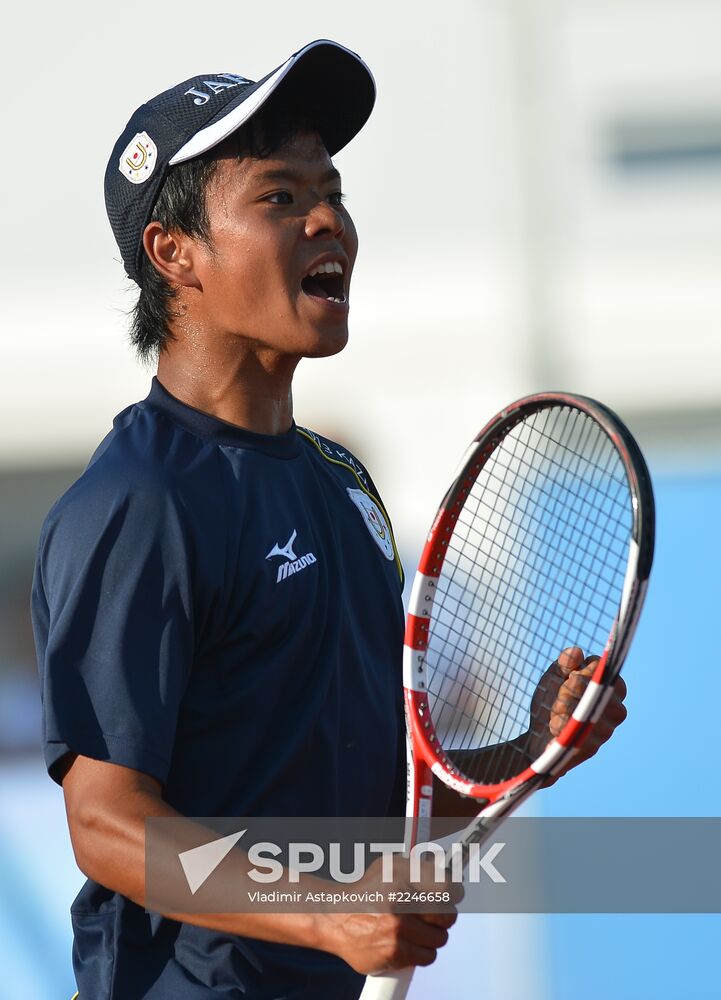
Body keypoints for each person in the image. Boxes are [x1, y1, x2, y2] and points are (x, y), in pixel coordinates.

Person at [32, 40, 627, 1000]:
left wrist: (526, 750)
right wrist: (326, 915)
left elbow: (368, 807)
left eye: (333, 190)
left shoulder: (342, 482)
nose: (327, 220)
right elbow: (106, 826)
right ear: (172, 252)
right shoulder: (139, 501)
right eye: (277, 197)